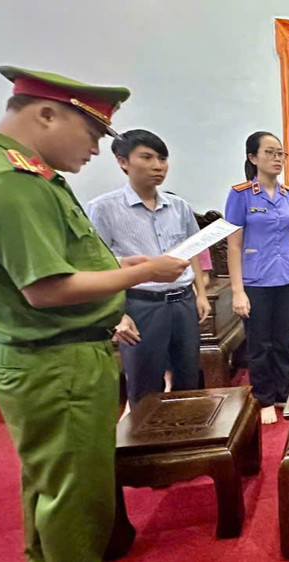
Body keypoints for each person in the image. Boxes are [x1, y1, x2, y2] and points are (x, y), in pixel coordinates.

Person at [0, 66, 187, 562]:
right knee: (76, 496)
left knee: (56, 481)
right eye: (93, 133)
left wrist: (118, 267)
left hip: (55, 355)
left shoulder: (7, 170)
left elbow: (57, 263)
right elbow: (46, 289)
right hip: (56, 361)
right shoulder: (8, 181)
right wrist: (144, 273)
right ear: (47, 114)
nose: (96, 150)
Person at [86, 129, 210, 407]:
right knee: (145, 384)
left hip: (183, 302)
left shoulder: (179, 206)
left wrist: (201, 295)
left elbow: (195, 250)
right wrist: (117, 315)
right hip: (140, 305)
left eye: (162, 159)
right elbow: (96, 265)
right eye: (147, 157)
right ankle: (147, 434)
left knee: (189, 376)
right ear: (123, 162)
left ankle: (186, 429)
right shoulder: (103, 208)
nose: (158, 166)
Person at [225, 131, 289, 424]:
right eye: (270, 152)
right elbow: (234, 246)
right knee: (259, 344)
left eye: (281, 154)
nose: (277, 159)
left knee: (284, 342)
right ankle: (263, 398)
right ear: (253, 157)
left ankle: (284, 394)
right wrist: (237, 291)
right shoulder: (240, 195)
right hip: (256, 282)